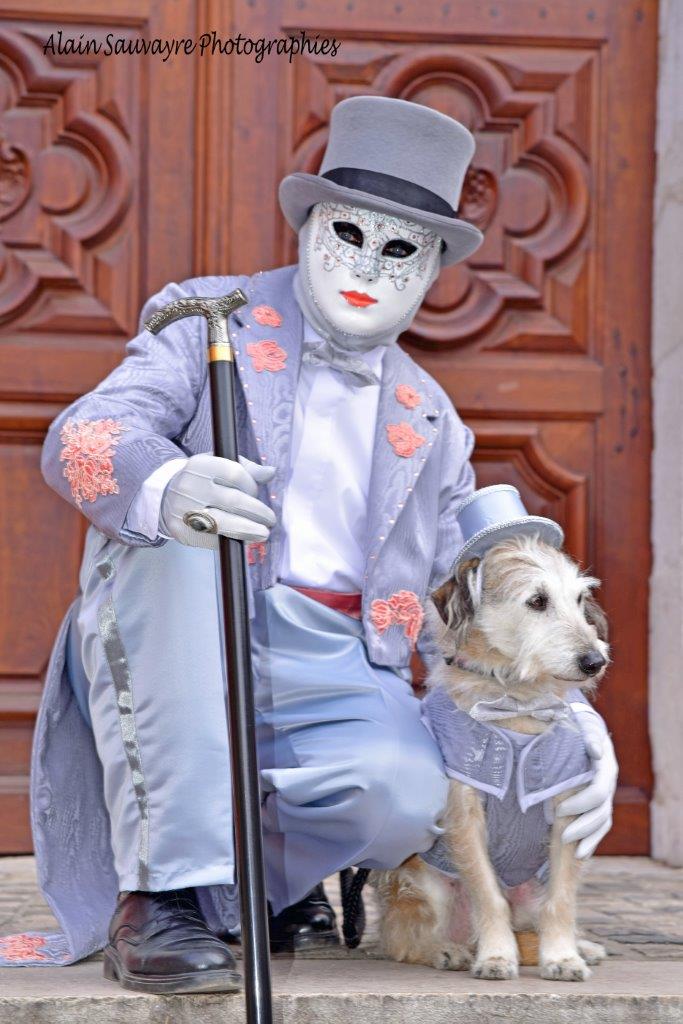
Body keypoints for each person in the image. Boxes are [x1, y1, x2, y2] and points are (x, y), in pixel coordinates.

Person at [0, 97, 617, 992]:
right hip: (190, 622)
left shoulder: (430, 416)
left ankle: (269, 883)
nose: (368, 265)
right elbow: (89, 430)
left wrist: (573, 712)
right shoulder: (207, 316)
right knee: (178, 551)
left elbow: (487, 584)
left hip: (340, 653)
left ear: (435, 266)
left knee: (403, 795)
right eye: (348, 232)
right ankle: (164, 899)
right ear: (305, 224)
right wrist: (165, 484)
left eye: (399, 246)